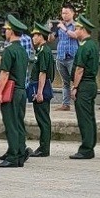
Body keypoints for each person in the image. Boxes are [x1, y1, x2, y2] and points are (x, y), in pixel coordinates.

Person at [0, 15, 30, 167]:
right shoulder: (22, 50)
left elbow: (5, 73)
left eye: (7, 29)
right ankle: (19, 151)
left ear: (11, 31)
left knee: (11, 123)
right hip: (21, 90)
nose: (5, 31)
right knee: (19, 122)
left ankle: (13, 157)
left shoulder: (9, 51)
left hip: (11, 91)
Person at [69, 15, 99, 160]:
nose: (75, 31)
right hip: (92, 84)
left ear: (83, 29)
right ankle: (90, 145)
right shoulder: (93, 45)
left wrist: (75, 87)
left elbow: (79, 69)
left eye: (77, 28)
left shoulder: (84, 46)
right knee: (90, 116)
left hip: (84, 85)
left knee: (84, 118)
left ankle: (86, 148)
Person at [29, 22, 55, 157]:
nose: (33, 38)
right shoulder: (41, 50)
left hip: (42, 89)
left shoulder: (44, 51)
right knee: (42, 118)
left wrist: (39, 92)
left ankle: (44, 148)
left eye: (35, 35)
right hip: (40, 87)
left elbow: (42, 72)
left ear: (41, 36)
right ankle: (43, 147)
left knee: (43, 119)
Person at [50, 3, 80, 111]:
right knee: (65, 82)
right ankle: (65, 104)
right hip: (61, 56)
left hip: (72, 56)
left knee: (76, 80)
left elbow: (75, 35)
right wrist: (51, 30)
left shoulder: (76, 25)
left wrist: (65, 29)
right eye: (63, 13)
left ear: (72, 13)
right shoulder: (59, 26)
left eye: (67, 13)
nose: (64, 15)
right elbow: (51, 39)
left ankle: (79, 102)